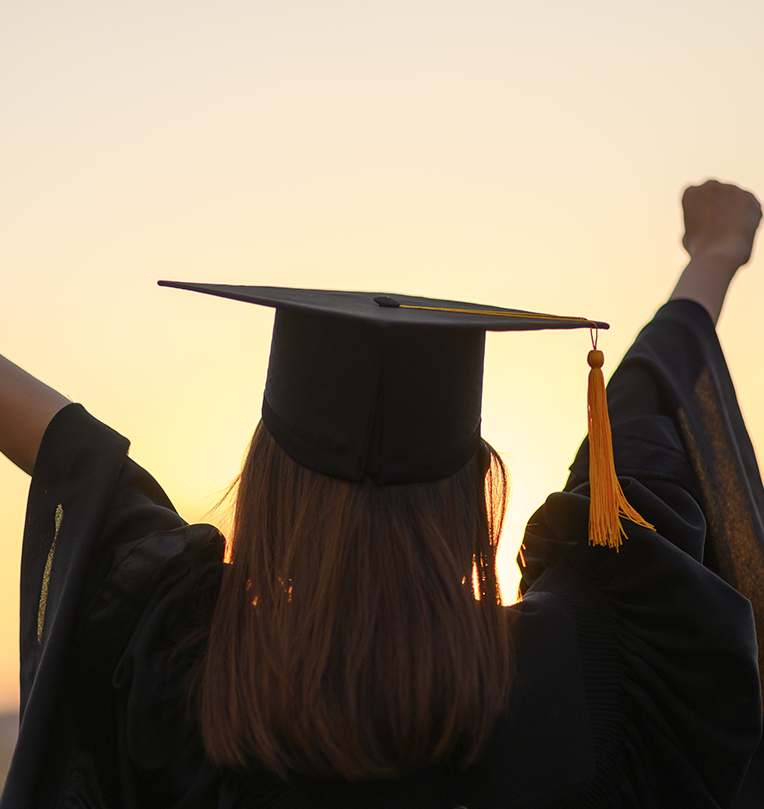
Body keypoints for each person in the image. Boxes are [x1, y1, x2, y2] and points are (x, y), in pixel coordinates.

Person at [0, 179, 761, 808]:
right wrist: (715, 256)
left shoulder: (190, 680)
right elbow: (634, 437)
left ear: (269, 484)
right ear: (473, 493)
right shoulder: (587, 669)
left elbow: (82, 458)